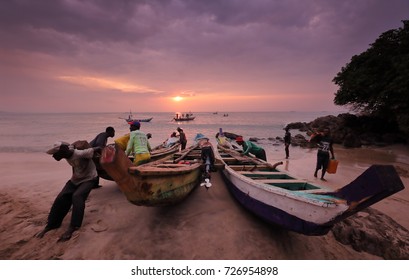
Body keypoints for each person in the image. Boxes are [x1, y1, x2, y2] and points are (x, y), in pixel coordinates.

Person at [35, 141, 101, 242]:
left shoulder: (80, 153)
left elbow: (97, 148)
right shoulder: (67, 155)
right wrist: (74, 178)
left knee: (77, 196)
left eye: (55, 155)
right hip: (75, 179)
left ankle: (74, 226)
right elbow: (74, 166)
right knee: (61, 197)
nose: (54, 157)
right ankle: (52, 224)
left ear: (62, 152)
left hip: (90, 178)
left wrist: (106, 151)